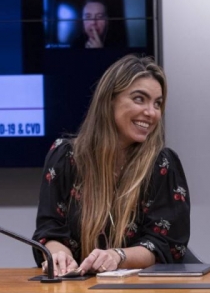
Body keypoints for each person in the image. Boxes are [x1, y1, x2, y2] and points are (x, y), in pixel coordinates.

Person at [32, 55, 190, 277]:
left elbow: (165, 245)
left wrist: (118, 256)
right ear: (109, 100)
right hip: (77, 288)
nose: (151, 112)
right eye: (139, 99)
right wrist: (59, 255)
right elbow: (49, 230)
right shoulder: (65, 156)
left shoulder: (161, 163)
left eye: (157, 103)